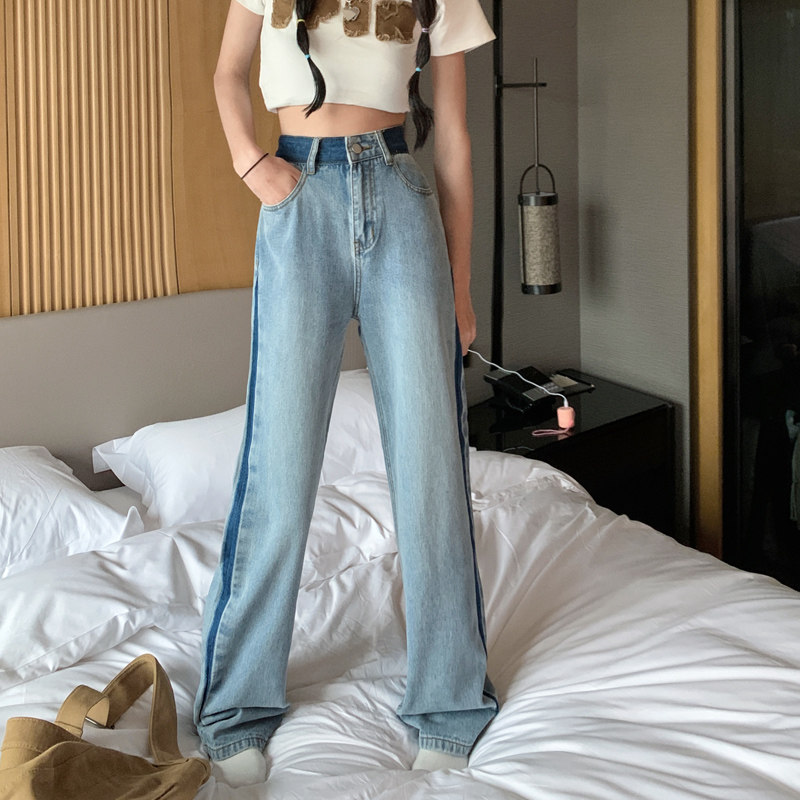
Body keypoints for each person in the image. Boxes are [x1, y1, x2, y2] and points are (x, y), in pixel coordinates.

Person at [194, 0, 499, 787]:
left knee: (432, 465)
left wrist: (462, 284)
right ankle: (237, 706)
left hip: (400, 196)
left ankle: (449, 701)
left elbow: (454, 137)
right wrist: (251, 163)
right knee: (280, 466)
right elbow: (227, 73)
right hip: (298, 196)